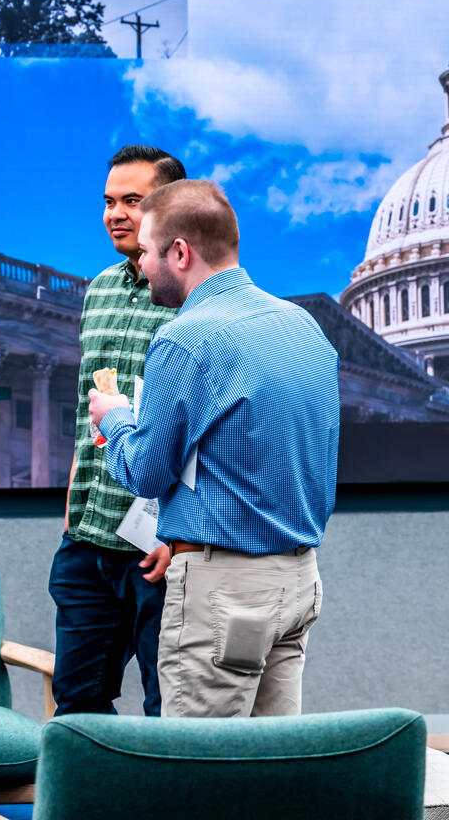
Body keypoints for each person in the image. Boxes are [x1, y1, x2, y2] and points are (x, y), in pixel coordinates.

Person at [89, 179, 339, 719]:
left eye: (148, 253)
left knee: (200, 779)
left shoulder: (185, 337)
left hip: (225, 597)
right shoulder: (304, 328)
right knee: (271, 773)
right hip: (298, 583)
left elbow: (147, 473)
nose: (143, 267)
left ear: (180, 252)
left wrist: (113, 419)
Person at [48, 145, 186, 716]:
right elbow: (91, 409)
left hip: (159, 547)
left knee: (167, 711)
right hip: (88, 540)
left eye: (133, 200)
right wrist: (71, 511)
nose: (116, 214)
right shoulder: (99, 289)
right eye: (109, 201)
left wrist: (178, 532)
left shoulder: (196, 296)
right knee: (77, 707)